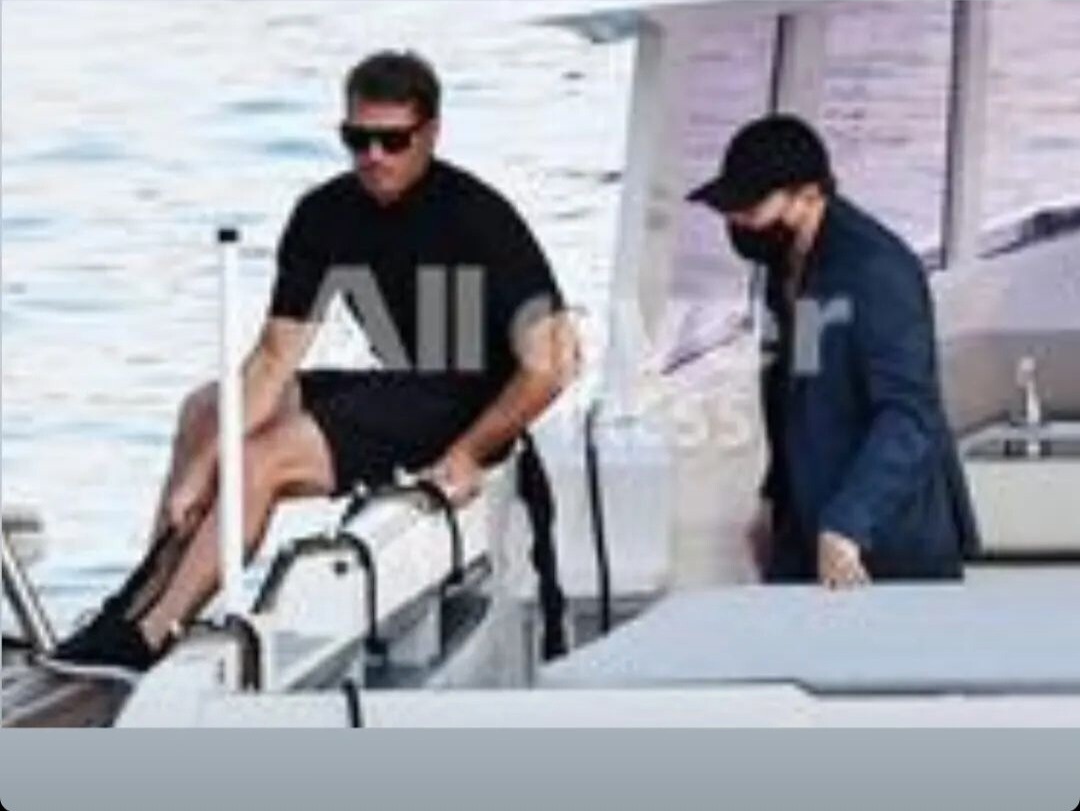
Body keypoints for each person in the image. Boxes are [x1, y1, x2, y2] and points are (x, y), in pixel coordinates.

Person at [46, 50, 578, 677]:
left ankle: (152, 637)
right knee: (206, 410)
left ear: (430, 133)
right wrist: (198, 468)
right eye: (358, 139)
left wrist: (468, 453)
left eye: (393, 140)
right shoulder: (324, 213)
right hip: (403, 388)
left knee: (261, 460)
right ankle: (138, 601)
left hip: (471, 404)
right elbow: (274, 358)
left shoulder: (478, 216)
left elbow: (554, 363)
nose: (373, 156)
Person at [688, 114, 979, 589]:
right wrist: (775, 498)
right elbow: (798, 392)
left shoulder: (877, 272)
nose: (737, 221)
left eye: (751, 207)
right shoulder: (787, 267)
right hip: (807, 523)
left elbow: (909, 416)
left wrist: (849, 522)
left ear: (808, 196)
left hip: (886, 538)